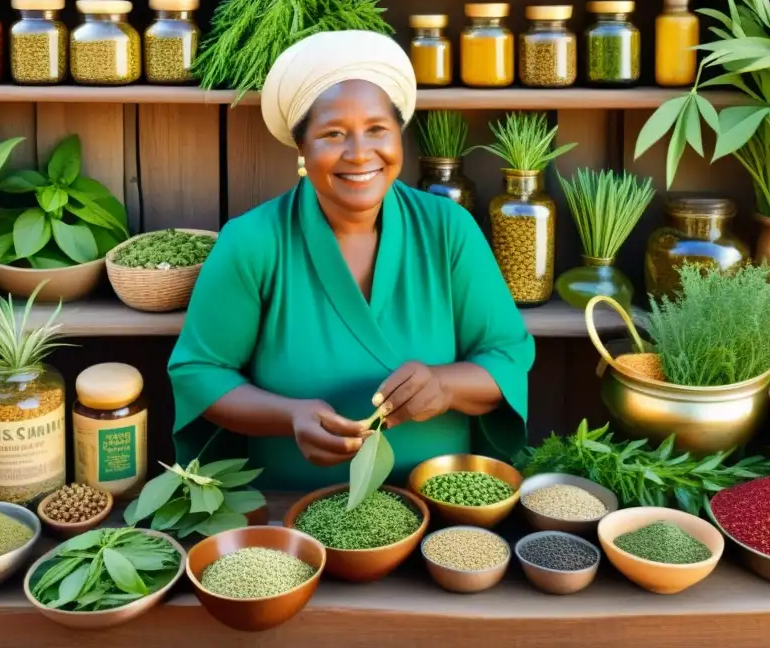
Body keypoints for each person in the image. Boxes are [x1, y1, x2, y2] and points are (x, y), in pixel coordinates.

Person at [169, 30, 535, 490]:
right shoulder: (252, 241)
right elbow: (200, 371)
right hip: (289, 507)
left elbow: (507, 356)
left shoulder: (448, 229)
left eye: (378, 129)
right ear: (301, 148)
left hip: (439, 506)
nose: (361, 153)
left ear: (400, 136)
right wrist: (289, 417)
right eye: (333, 134)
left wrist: (445, 386)